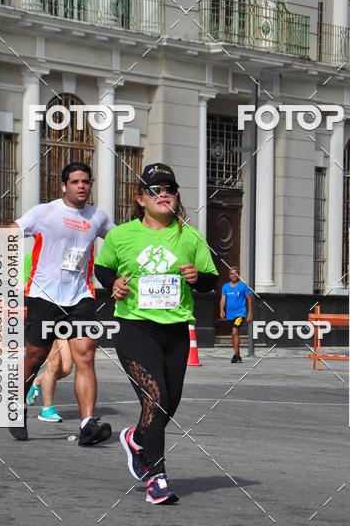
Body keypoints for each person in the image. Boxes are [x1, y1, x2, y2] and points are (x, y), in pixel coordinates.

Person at [95, 163, 218, 504]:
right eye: (155, 190)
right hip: (134, 325)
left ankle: (136, 438)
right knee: (156, 399)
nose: (163, 194)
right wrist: (113, 283)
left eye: (169, 189)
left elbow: (211, 278)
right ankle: (157, 477)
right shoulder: (121, 235)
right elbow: (102, 268)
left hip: (175, 329)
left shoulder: (190, 236)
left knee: (168, 404)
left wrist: (197, 278)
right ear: (141, 199)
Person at [0, 162, 113, 445]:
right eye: (75, 182)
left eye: (86, 181)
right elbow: (12, 231)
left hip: (81, 297)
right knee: (34, 358)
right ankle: (16, 408)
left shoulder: (98, 217)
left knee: (86, 356)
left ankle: (86, 425)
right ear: (63, 185)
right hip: (43, 297)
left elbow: (119, 241)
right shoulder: (45, 212)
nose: (81, 186)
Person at [22, 250, 74, 422]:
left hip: (66, 314)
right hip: (45, 314)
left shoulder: (68, 256)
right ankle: (47, 409)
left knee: (66, 368)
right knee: (54, 363)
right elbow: (21, 286)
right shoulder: (32, 257)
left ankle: (36, 383)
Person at [220, 267, 253, 363]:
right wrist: (221, 310)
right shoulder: (225, 287)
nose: (233, 275)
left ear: (238, 275)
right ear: (229, 275)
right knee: (234, 334)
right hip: (230, 314)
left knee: (235, 332)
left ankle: (235, 355)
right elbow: (223, 299)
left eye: (236, 273)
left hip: (240, 313)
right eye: (232, 273)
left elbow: (249, 300)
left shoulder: (243, 286)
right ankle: (238, 355)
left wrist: (250, 313)